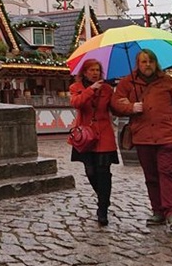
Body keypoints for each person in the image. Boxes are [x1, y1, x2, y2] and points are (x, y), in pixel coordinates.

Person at [113, 48, 172, 228]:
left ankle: (171, 212)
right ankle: (157, 211)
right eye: (144, 61)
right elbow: (115, 105)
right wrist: (130, 107)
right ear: (138, 64)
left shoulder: (166, 81)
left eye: (151, 61)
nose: (148, 64)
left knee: (167, 173)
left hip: (167, 135)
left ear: (156, 63)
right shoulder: (128, 83)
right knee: (151, 176)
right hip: (143, 136)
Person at [69, 59, 118, 226]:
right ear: (84, 72)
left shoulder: (107, 89)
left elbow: (115, 108)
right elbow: (77, 103)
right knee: (90, 171)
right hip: (85, 136)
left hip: (104, 135)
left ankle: (102, 208)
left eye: (97, 70)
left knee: (103, 172)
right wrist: (91, 90)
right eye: (91, 70)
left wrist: (128, 105)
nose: (95, 73)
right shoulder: (76, 88)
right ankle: (104, 197)